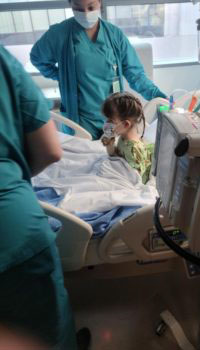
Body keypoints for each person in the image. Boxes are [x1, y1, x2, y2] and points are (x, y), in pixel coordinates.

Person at [0, 45, 90, 350]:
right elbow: (51, 149)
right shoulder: (3, 61)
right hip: (18, 230)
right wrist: (17, 179)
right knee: (50, 335)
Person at [30, 0, 167, 140]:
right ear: (71, 5)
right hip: (80, 122)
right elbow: (37, 58)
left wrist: (160, 96)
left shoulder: (114, 35)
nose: (86, 13)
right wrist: (63, 76)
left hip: (114, 117)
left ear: (100, 2)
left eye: (91, 7)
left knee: (114, 157)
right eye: (78, 9)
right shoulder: (59, 34)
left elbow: (135, 75)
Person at [101, 92, 154, 185]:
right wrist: (110, 145)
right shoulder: (123, 137)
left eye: (111, 121)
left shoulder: (133, 149)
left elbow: (137, 179)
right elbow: (117, 155)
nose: (106, 123)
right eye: (107, 119)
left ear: (126, 124)